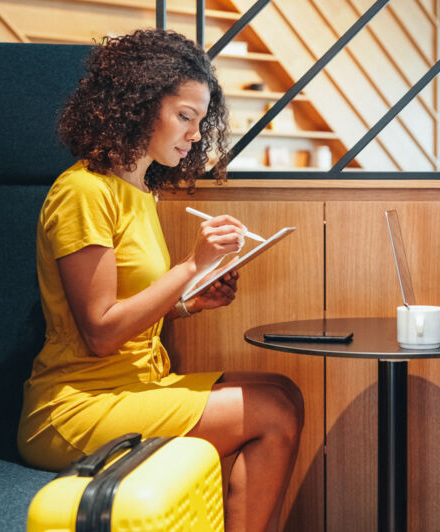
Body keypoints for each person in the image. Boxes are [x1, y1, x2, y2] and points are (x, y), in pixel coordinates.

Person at [17, 29, 303, 532]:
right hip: (78, 405)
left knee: (284, 390)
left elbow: (130, 304)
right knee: (271, 412)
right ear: (138, 106)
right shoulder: (84, 192)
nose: (194, 135)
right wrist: (190, 267)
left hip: (138, 385)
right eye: (184, 116)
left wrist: (191, 302)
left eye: (200, 120)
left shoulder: (141, 190)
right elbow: (101, 332)